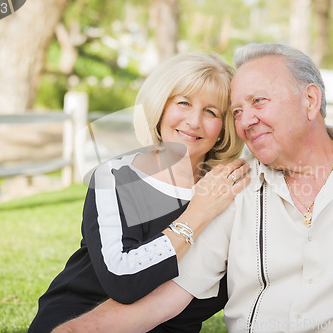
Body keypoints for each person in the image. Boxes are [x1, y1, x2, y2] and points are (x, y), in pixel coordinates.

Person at [52, 43, 333, 333]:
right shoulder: (232, 190)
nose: (245, 121)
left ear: (310, 101)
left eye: (258, 101)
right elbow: (162, 300)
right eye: (238, 111)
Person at [28, 52, 250, 333]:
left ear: (223, 127)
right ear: (159, 109)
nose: (194, 121)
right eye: (183, 103)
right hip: (78, 317)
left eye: (211, 112)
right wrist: (197, 213)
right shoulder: (115, 177)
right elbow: (122, 279)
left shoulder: (230, 186)